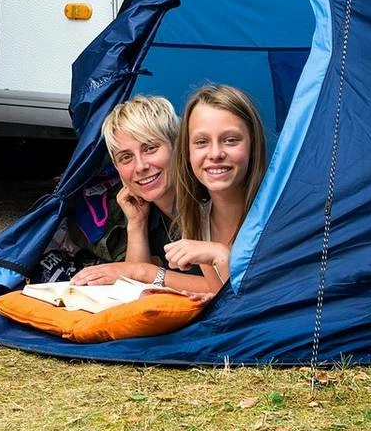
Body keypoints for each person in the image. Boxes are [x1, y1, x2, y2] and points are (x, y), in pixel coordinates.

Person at [54, 95, 183, 286]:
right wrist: (137, 223)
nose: (140, 166)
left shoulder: (207, 200)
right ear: (117, 168)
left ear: (177, 147)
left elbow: (222, 288)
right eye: (126, 157)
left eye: (150, 148)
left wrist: (144, 272)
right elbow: (134, 286)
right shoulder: (147, 211)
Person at [162, 84, 267, 294]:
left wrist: (222, 256)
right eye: (201, 142)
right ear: (187, 152)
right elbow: (224, 301)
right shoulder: (198, 218)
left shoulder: (278, 216)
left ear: (253, 146)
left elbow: (259, 306)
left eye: (231, 140)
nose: (215, 153)